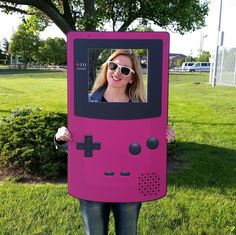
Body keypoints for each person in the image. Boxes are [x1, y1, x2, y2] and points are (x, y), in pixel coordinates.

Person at [55, 49, 175, 235]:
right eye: (113, 66)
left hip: (129, 184)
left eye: (125, 70)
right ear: (106, 68)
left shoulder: (142, 110)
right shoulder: (85, 102)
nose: (117, 72)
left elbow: (147, 148)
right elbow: (77, 147)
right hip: (92, 183)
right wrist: (61, 137)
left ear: (132, 78)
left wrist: (164, 138)